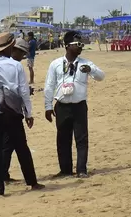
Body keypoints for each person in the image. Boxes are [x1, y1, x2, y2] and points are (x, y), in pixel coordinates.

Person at [0, 32, 43, 196]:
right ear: (11, 47)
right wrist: (28, 113)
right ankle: (32, 182)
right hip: (12, 112)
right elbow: (23, 91)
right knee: (21, 148)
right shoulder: (16, 66)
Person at [43, 30, 106, 178]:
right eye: (77, 44)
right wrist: (47, 106)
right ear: (66, 45)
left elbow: (101, 77)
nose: (80, 47)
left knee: (81, 139)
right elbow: (49, 86)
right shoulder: (55, 64)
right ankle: (65, 170)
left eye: (81, 44)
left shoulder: (85, 63)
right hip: (62, 105)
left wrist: (91, 70)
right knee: (62, 139)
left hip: (79, 106)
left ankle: (81, 169)